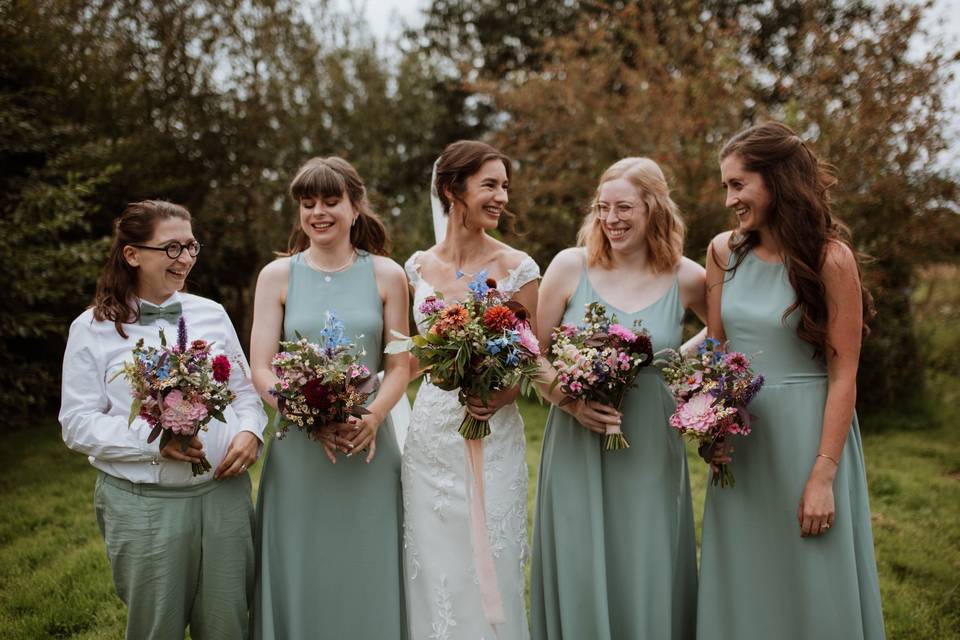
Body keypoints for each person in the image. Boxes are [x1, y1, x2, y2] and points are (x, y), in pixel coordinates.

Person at [697, 121, 885, 639]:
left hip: (809, 436)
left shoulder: (830, 259)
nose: (730, 198)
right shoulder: (721, 252)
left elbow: (845, 371)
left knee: (812, 574)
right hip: (743, 440)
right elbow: (717, 347)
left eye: (739, 184)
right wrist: (710, 425)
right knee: (746, 577)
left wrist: (824, 474)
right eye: (726, 186)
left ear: (777, 181)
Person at [60, 200, 267, 639]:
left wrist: (250, 431)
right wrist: (152, 441)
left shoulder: (211, 313)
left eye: (191, 246)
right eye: (172, 248)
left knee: (230, 624)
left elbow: (245, 393)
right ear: (132, 254)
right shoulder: (92, 328)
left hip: (224, 498)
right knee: (157, 629)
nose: (186, 259)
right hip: (145, 506)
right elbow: (76, 423)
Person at [530, 158, 704, 639]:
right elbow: (533, 354)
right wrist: (570, 401)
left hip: (649, 438)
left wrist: (668, 364)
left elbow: (727, 332)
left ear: (653, 209)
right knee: (580, 555)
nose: (611, 219)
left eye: (624, 207)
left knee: (644, 553)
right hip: (575, 438)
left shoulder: (686, 277)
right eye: (603, 208)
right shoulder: (570, 266)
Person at [249, 157, 410, 639]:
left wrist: (375, 416)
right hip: (299, 446)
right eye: (308, 202)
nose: (318, 212)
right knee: (302, 561)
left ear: (355, 207)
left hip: (368, 445)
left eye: (331, 201)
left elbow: (400, 364)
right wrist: (306, 416)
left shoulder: (387, 274)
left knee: (367, 561)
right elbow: (261, 367)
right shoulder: (276, 276)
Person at [402, 140, 539, 639]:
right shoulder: (415, 268)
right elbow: (408, 357)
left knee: (494, 562)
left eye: (505, 185)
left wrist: (499, 395)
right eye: (490, 185)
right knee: (433, 566)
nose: (502, 195)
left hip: (493, 432)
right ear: (451, 191)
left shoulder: (519, 268)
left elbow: (530, 357)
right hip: (432, 438)